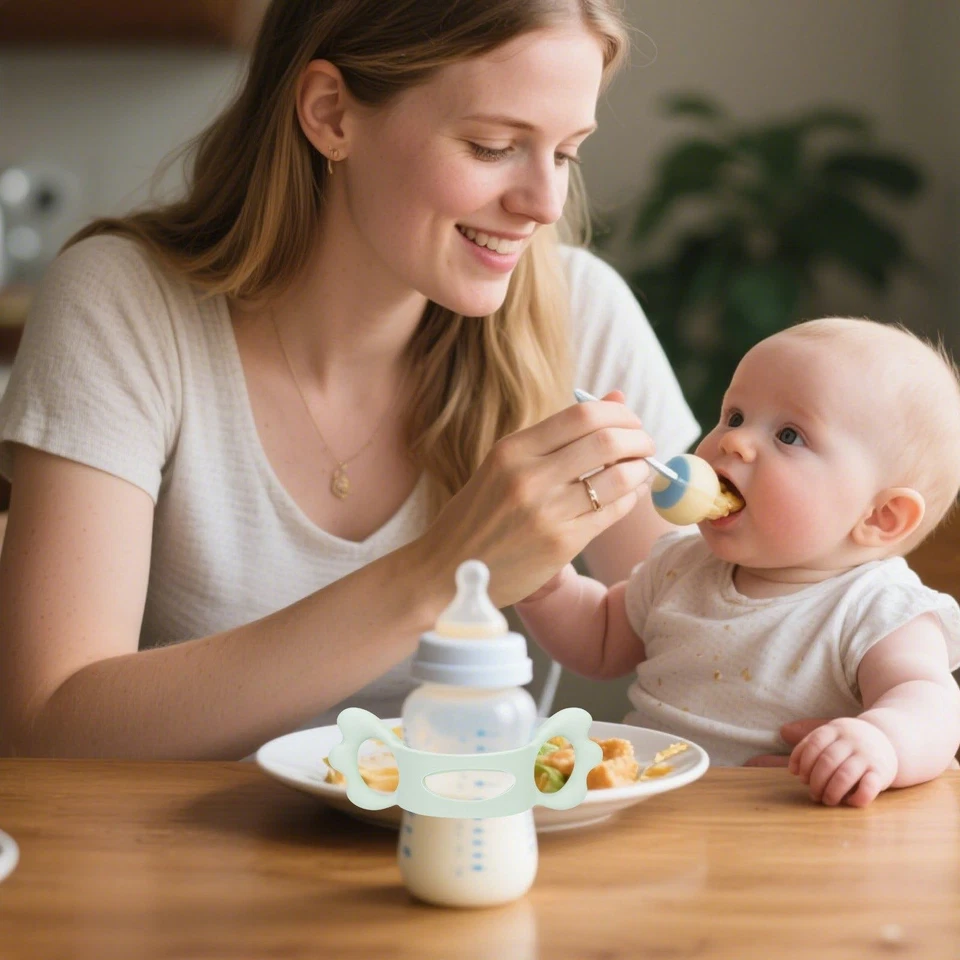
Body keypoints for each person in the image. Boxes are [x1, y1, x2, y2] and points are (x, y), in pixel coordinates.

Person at [0, 0, 701, 759]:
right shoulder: (125, 304)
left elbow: (727, 629)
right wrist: (440, 572)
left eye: (565, 153)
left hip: (488, 868)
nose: (545, 204)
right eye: (493, 146)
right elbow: (48, 727)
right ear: (332, 114)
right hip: (177, 869)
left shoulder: (579, 313)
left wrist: (842, 717)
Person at [517, 317, 960, 807]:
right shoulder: (680, 564)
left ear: (880, 516)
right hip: (654, 810)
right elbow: (600, 639)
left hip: (775, 832)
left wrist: (882, 741)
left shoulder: (877, 608)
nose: (733, 441)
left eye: (789, 435)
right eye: (734, 416)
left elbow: (931, 704)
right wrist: (546, 584)